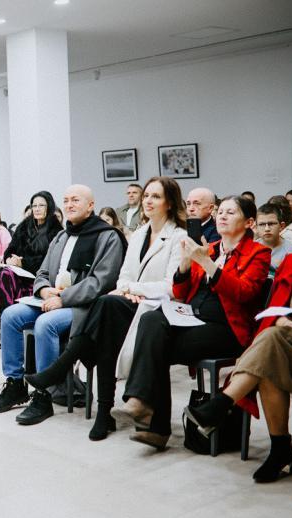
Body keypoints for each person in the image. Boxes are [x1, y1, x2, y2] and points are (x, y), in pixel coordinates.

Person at [24, 177, 187, 440]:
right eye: (146, 195)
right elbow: (122, 277)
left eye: (155, 196)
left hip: (158, 310)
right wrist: (128, 289)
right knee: (106, 321)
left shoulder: (178, 237)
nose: (147, 201)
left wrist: (133, 290)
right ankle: (103, 412)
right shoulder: (138, 235)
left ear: (169, 203)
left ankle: (67, 373)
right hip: (130, 303)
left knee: (105, 307)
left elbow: (171, 287)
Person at [111, 196, 270, 450]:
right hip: (193, 318)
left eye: (231, 212)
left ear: (249, 222)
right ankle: (143, 408)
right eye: (221, 212)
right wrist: (185, 264)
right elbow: (180, 291)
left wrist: (206, 263)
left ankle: (152, 420)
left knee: (156, 345)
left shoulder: (258, 253)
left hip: (228, 329)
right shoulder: (211, 248)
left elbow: (244, 292)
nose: (222, 216)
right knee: (152, 319)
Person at [0, 185, 126, 425]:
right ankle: (16, 384)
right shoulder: (62, 236)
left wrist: (64, 297)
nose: (69, 205)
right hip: (50, 298)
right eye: (66, 200)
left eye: (76, 200)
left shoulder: (107, 236)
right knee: (9, 316)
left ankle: (43, 394)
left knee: (45, 324)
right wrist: (42, 288)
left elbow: (102, 281)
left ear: (91, 205)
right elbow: (42, 271)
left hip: (83, 307)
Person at [183, 250, 292, 483]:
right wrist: (287, 319)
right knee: (269, 355)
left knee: (269, 346)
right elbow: (279, 311)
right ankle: (279, 447)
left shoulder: (257, 254)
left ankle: (221, 403)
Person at [0, 192, 63, 314]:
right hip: (20, 274)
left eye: (41, 205)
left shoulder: (56, 230)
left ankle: (11, 317)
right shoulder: (25, 225)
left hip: (40, 278)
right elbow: (10, 249)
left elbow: (50, 261)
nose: (37, 209)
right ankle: (7, 315)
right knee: (5, 273)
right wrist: (9, 259)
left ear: (49, 207)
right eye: (34, 206)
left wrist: (23, 263)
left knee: (8, 275)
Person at [256, 203, 292, 276]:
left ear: (281, 226)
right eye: (262, 224)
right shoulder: (252, 248)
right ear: (256, 227)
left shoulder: (291, 253)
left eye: (271, 224)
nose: (267, 229)